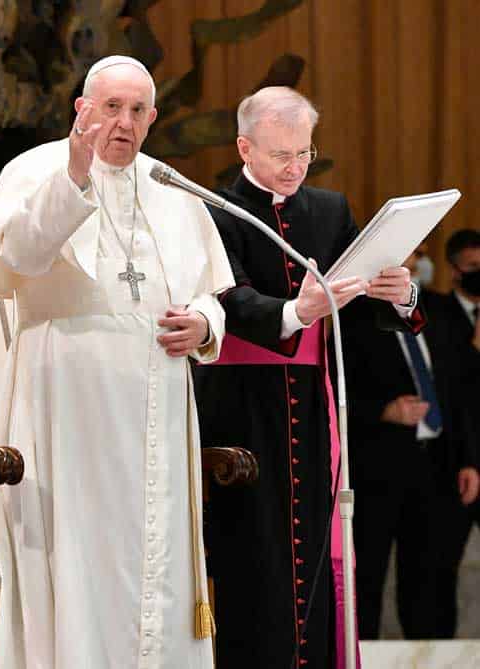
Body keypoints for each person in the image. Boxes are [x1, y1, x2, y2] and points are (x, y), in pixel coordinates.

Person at [0, 55, 234, 669]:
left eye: (138, 110)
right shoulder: (34, 168)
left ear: (153, 117)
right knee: (79, 558)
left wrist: (203, 324)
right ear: (82, 109)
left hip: (158, 405)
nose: (125, 121)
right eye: (112, 107)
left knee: (158, 559)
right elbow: (22, 258)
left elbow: (211, 293)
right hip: (68, 396)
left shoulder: (169, 183)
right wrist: (75, 175)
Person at [192, 86, 424, 669]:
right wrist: (299, 311)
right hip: (242, 410)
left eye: (304, 154)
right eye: (280, 155)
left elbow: (363, 299)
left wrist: (398, 296)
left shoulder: (329, 209)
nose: (295, 168)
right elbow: (233, 300)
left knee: (316, 555)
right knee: (256, 559)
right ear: (245, 147)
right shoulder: (213, 211)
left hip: (315, 409)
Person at [338, 246, 475, 640]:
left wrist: (468, 460)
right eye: (414, 248)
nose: (422, 256)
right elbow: (335, 390)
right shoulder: (355, 314)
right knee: (368, 576)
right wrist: (384, 411)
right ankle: (360, 654)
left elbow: (456, 391)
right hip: (378, 466)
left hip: (436, 464)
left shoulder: (435, 309)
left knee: (429, 579)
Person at [431, 229, 480, 638]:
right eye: (472, 268)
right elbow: (452, 392)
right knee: (440, 566)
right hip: (454, 460)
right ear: (454, 270)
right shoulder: (437, 315)